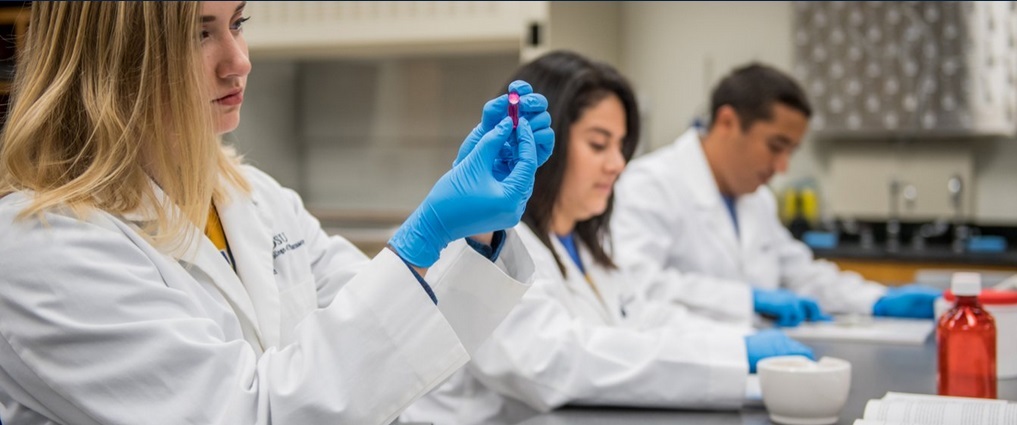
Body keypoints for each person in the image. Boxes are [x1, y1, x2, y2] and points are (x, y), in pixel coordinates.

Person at [0, 2, 555, 424]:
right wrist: (424, 235)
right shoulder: (41, 245)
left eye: (237, 23)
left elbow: (405, 346)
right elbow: (248, 413)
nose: (238, 61)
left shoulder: (254, 198)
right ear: (112, 56)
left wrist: (478, 233)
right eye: (199, 34)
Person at [401, 51, 814, 425]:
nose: (618, 164)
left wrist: (736, 342)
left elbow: (641, 319)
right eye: (599, 144)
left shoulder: (585, 246)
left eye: (621, 146)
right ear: (541, 143)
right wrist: (733, 357)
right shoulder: (485, 244)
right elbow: (553, 361)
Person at [612, 63, 940, 329]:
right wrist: (748, 300)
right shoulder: (650, 184)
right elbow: (635, 285)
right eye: (775, 146)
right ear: (727, 122)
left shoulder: (757, 199)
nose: (782, 167)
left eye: (790, 151)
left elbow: (798, 273)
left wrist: (876, 300)